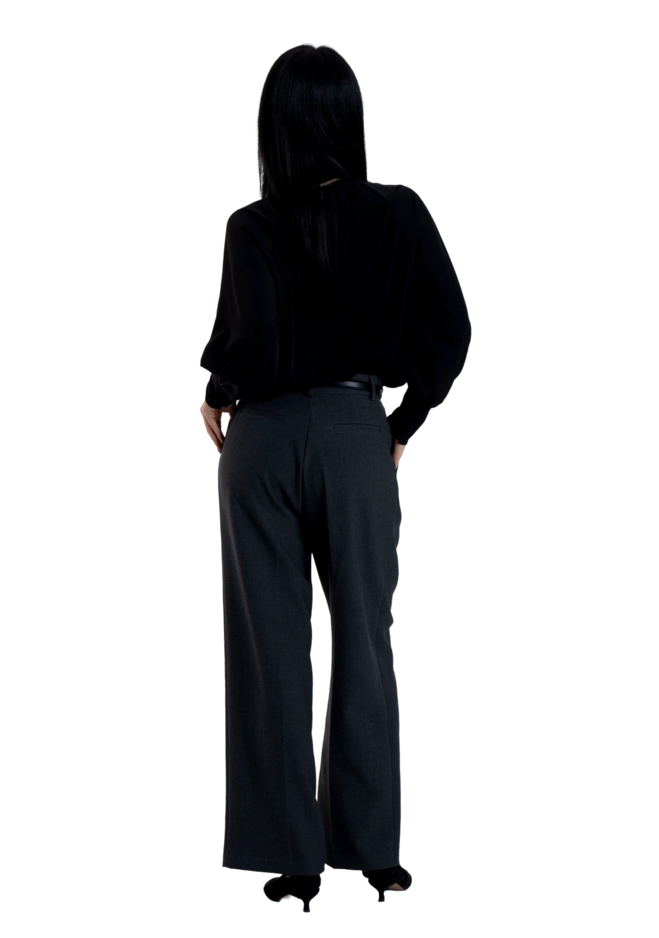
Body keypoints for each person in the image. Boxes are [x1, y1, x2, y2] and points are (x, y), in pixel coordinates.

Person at [199, 41, 472, 909]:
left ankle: (291, 867)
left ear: (274, 124)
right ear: (347, 117)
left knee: (269, 650)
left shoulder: (252, 224)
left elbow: (241, 348)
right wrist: (402, 427)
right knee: (366, 638)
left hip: (263, 441)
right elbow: (450, 329)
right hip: (358, 432)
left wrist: (212, 392)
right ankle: (376, 854)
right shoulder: (398, 213)